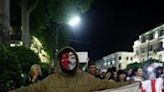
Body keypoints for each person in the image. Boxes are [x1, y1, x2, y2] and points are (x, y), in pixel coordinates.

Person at [10, 47, 138, 92]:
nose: (69, 62)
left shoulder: (86, 78)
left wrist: (132, 84)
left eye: (72, 58)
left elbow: (109, 85)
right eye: (65, 59)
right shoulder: (50, 81)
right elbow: (29, 89)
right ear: (60, 61)